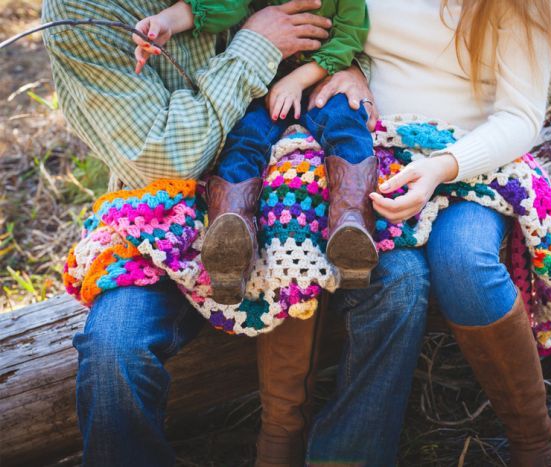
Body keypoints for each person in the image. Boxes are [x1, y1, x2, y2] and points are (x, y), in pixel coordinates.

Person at [42, 0, 429, 465]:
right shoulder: (85, 11)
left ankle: (347, 454)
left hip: (302, 186)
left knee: (402, 282)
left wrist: (353, 69)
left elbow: (342, 21)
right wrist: (257, 44)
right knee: (113, 348)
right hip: (166, 219)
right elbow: (167, 157)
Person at [307, 0, 551, 465]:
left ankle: (534, 441)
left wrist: (442, 168)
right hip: (374, 151)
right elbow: (331, 26)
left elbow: (521, 116)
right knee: (395, 276)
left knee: (463, 260)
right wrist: (350, 69)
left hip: (472, 161)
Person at [130, 0, 378, 305]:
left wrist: (297, 80)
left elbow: (349, 38)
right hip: (266, 86)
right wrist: (166, 21)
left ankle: (352, 226)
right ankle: (230, 241)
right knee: (244, 138)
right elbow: (220, 6)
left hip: (321, 82)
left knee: (347, 124)